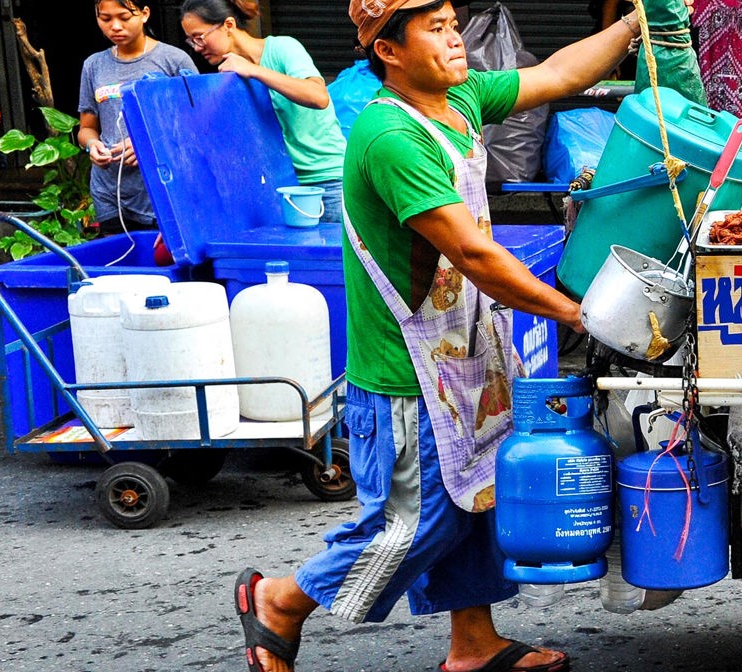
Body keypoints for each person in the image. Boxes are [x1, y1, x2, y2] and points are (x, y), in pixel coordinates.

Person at [229, 1, 638, 670]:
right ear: (388, 51)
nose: (456, 39)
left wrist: (631, 27)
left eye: (453, 23)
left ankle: (472, 646)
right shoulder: (392, 136)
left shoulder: (462, 98)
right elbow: (474, 255)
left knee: (477, 497)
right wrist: (576, 311)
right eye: (436, 29)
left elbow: (559, 74)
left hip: (467, 351)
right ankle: (279, 599)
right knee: (416, 522)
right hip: (406, 369)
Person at [180, 0, 350, 222]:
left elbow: (318, 97)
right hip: (280, 188)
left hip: (328, 182)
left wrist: (254, 71)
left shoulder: (282, 48)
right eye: (191, 41)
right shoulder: (229, 76)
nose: (197, 48)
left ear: (228, 25)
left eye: (200, 37)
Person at [77, 0, 198, 231]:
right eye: (105, 19)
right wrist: (92, 145)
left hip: (161, 188)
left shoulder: (174, 60)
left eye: (124, 17)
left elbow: (196, 124)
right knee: (120, 261)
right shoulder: (93, 65)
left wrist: (148, 142)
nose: (115, 26)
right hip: (109, 190)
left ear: (144, 14)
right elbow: (87, 127)